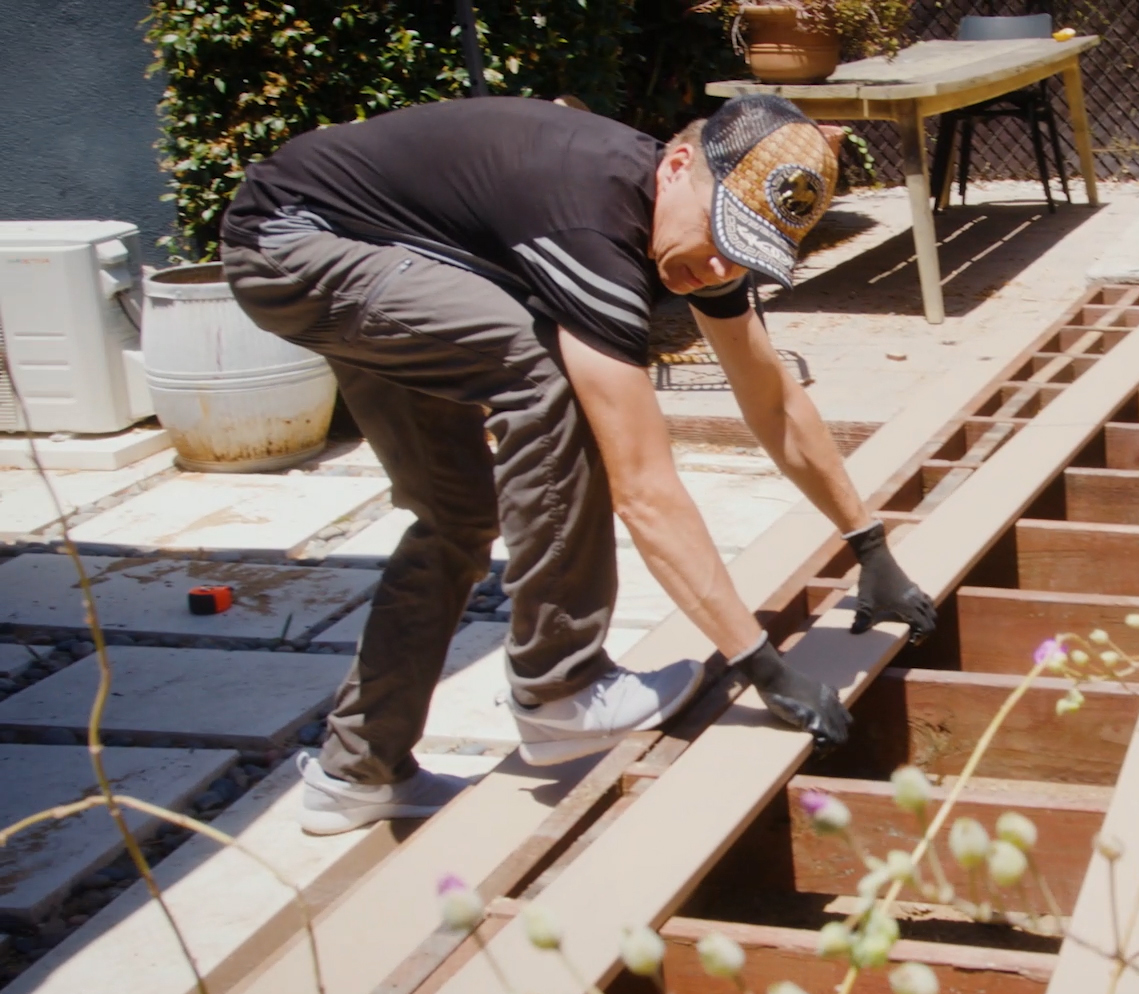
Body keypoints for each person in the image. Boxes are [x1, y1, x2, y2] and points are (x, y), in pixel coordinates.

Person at [220, 94, 938, 835]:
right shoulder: (590, 223)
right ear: (680, 164)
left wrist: (869, 546)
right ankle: (559, 684)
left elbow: (773, 400)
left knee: (458, 516)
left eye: (747, 249)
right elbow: (645, 489)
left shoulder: (694, 229)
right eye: (722, 231)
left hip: (364, 245)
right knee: (546, 378)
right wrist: (758, 662)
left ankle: (357, 770)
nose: (722, 263)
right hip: (294, 243)